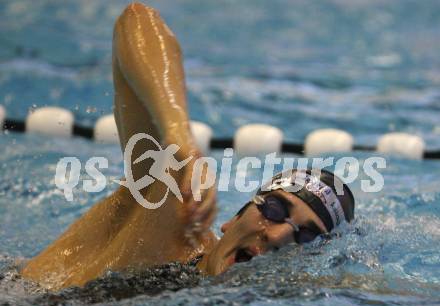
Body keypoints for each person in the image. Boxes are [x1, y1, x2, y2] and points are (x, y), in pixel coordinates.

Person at [21, 3, 355, 290]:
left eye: (306, 237)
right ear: (232, 219)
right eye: (274, 210)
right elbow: (137, 20)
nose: (280, 235)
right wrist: (180, 141)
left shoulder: (247, 296)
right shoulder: (174, 223)